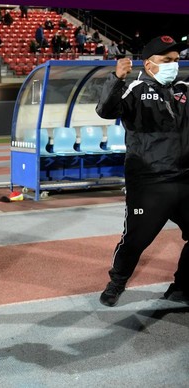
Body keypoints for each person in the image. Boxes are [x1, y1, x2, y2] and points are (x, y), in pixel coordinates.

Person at [96, 35, 189, 307]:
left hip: (183, 179)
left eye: (176, 60)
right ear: (150, 65)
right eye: (167, 60)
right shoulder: (135, 89)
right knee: (136, 240)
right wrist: (116, 78)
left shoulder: (183, 88)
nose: (174, 64)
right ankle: (116, 284)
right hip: (148, 184)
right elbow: (106, 109)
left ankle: (181, 286)